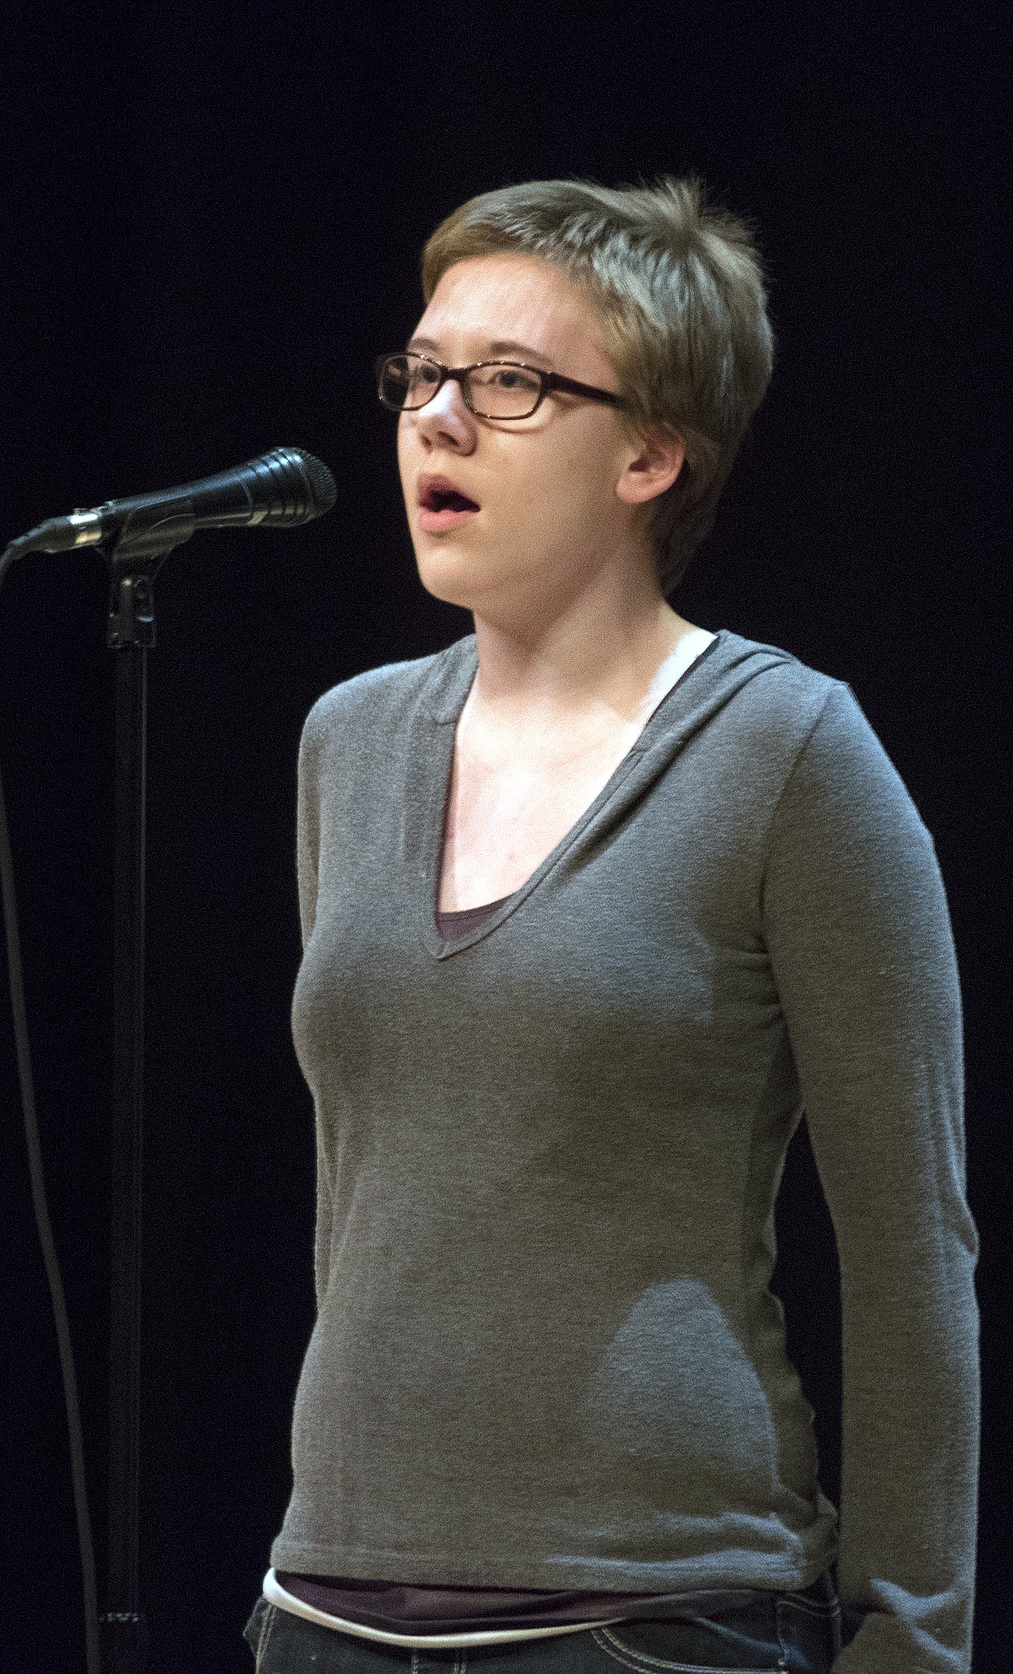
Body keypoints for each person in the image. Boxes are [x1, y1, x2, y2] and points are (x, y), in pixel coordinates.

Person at [242, 178, 979, 1674]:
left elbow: (910, 1248)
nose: (436, 419)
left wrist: (911, 1636)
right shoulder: (350, 740)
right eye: (421, 372)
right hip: (324, 1606)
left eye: (508, 382)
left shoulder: (786, 751)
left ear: (651, 450)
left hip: (645, 1622)